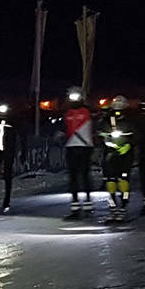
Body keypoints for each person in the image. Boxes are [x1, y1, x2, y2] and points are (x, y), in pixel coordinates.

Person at [59, 87, 95, 220]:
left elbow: (95, 125)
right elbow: (64, 128)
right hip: (71, 147)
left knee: (85, 176)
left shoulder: (88, 111)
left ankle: (88, 203)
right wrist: (61, 134)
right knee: (73, 178)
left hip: (85, 147)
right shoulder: (67, 113)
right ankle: (75, 207)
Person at [97, 96, 135, 222]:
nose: (118, 110)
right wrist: (105, 139)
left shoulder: (129, 120)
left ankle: (123, 207)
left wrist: (128, 144)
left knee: (123, 181)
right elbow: (100, 132)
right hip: (110, 154)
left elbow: (136, 135)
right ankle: (113, 208)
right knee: (111, 181)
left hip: (125, 155)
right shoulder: (108, 120)